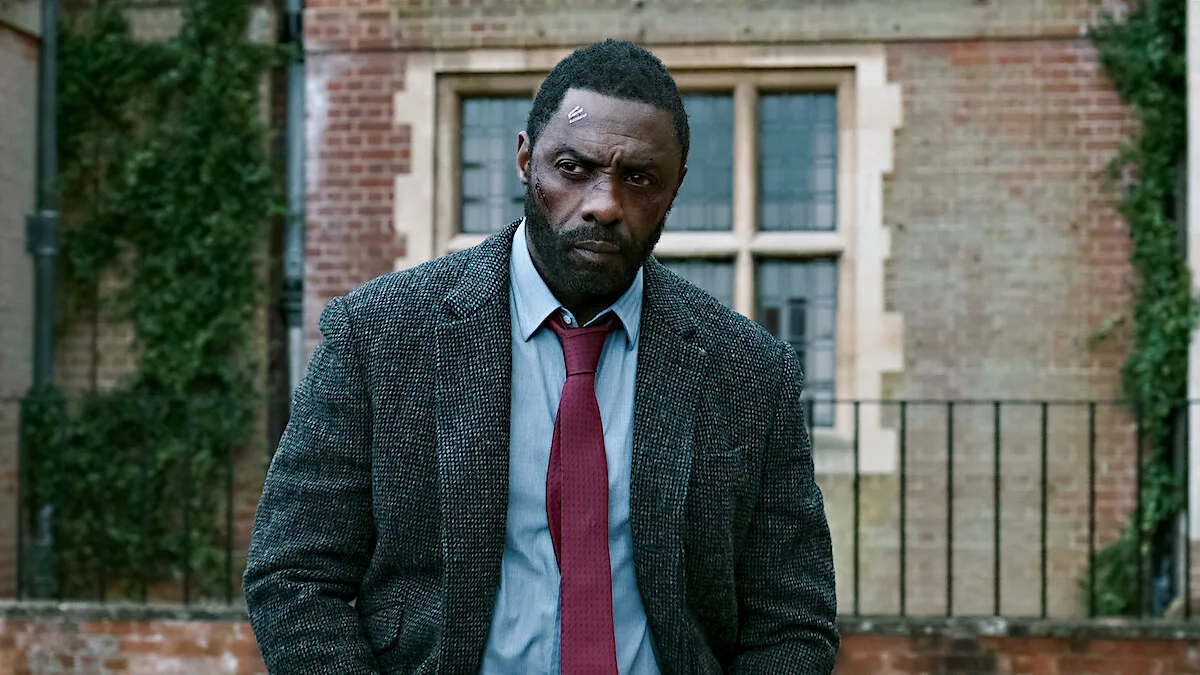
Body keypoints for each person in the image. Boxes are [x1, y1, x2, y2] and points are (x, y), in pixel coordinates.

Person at [243, 39, 839, 674]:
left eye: (639, 178)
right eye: (574, 168)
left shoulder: (749, 371)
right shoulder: (381, 336)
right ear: (526, 161)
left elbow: (793, 621)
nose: (604, 204)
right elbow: (293, 576)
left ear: (675, 188)